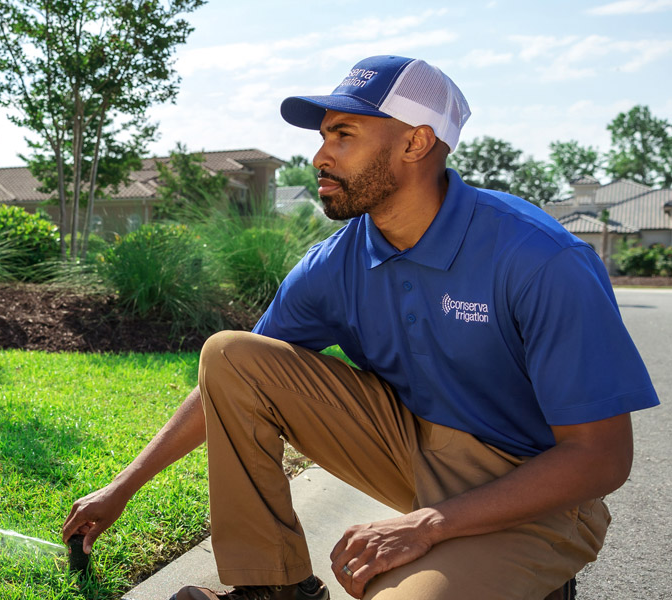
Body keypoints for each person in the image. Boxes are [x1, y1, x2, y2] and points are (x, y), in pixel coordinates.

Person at [61, 55, 660, 600]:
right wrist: (123, 486)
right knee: (232, 354)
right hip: (412, 452)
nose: (320, 157)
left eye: (344, 135)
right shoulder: (338, 261)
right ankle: (273, 589)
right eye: (323, 136)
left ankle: (529, 574)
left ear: (416, 142)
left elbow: (601, 459)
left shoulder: (540, 258)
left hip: (535, 492)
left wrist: (430, 525)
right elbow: (232, 381)